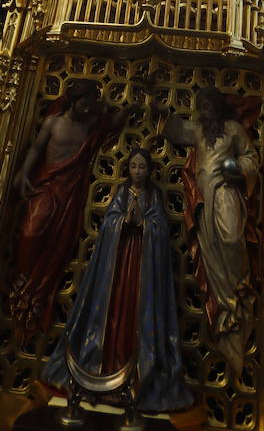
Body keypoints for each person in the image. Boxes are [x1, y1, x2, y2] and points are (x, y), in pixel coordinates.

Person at [43, 149, 192, 414]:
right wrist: (122, 221)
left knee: (135, 317)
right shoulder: (122, 192)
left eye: (142, 167)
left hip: (143, 270)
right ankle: (103, 371)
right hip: (117, 267)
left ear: (149, 170)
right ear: (128, 169)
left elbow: (159, 226)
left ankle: (136, 378)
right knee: (111, 317)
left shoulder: (153, 195)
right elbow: (109, 222)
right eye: (133, 166)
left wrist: (145, 226)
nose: (137, 171)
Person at [11, 81, 130, 347]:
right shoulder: (54, 122)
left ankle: (37, 290)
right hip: (46, 184)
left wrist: (133, 104)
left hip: (70, 191)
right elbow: (36, 148)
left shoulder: (90, 123)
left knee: (59, 241)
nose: (88, 108)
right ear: (73, 100)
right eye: (84, 102)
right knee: (31, 231)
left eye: (91, 103)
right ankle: (26, 277)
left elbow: (113, 122)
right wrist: (23, 172)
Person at [163, 87, 259, 380]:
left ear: (218, 107)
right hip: (204, 204)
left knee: (231, 238)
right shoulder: (199, 131)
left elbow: (251, 157)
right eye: (200, 107)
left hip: (227, 193)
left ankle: (238, 291)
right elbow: (175, 129)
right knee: (211, 251)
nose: (203, 112)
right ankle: (223, 306)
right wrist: (158, 106)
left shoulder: (232, 130)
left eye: (207, 106)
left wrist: (238, 168)